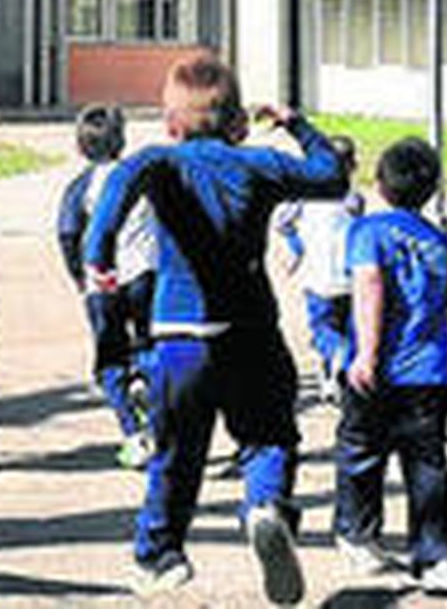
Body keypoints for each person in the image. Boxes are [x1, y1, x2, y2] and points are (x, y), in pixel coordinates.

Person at [83, 53, 347, 604]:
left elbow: (114, 194)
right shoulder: (259, 164)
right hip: (250, 330)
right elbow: (331, 176)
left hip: (179, 337)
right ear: (238, 122)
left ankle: (161, 556)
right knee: (268, 437)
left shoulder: (158, 162)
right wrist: (296, 123)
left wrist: (98, 254)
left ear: (170, 122)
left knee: (176, 453)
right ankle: (264, 507)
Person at [333, 136, 447, 595]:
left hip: (378, 369)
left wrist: (365, 353)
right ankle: (436, 556)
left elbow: (368, 283)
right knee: (427, 465)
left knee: (360, 453)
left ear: (380, 184)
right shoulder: (440, 243)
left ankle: (358, 535)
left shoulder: (366, 231)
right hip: (429, 372)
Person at [56, 101, 157, 467]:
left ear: (81, 146)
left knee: (109, 360)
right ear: (122, 140)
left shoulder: (80, 187)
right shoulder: (143, 178)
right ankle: (150, 398)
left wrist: (80, 277)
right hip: (146, 274)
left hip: (103, 280)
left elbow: (68, 232)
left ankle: (133, 435)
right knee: (149, 346)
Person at [274, 134, 362, 404]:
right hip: (350, 278)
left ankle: (337, 356)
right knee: (345, 327)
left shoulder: (302, 197)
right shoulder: (354, 199)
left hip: (318, 279)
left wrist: (296, 245)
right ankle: (332, 381)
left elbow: (282, 222)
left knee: (322, 330)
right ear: (352, 167)